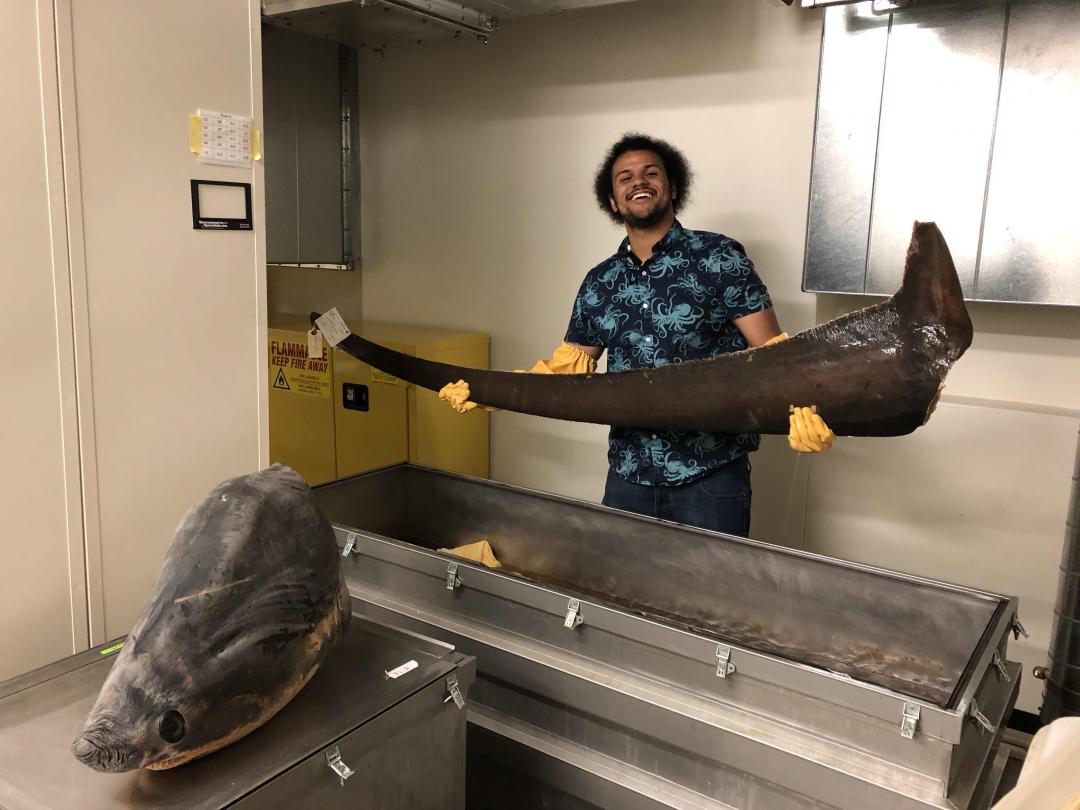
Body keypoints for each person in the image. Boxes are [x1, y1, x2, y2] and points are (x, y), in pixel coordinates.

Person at [440, 133, 833, 536]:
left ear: (673, 186)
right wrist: (490, 392)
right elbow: (566, 371)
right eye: (624, 178)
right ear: (613, 200)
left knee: (709, 598)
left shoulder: (718, 257)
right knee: (623, 594)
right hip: (629, 476)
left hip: (710, 476)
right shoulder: (600, 282)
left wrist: (800, 403)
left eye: (650, 173)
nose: (638, 182)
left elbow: (771, 351)